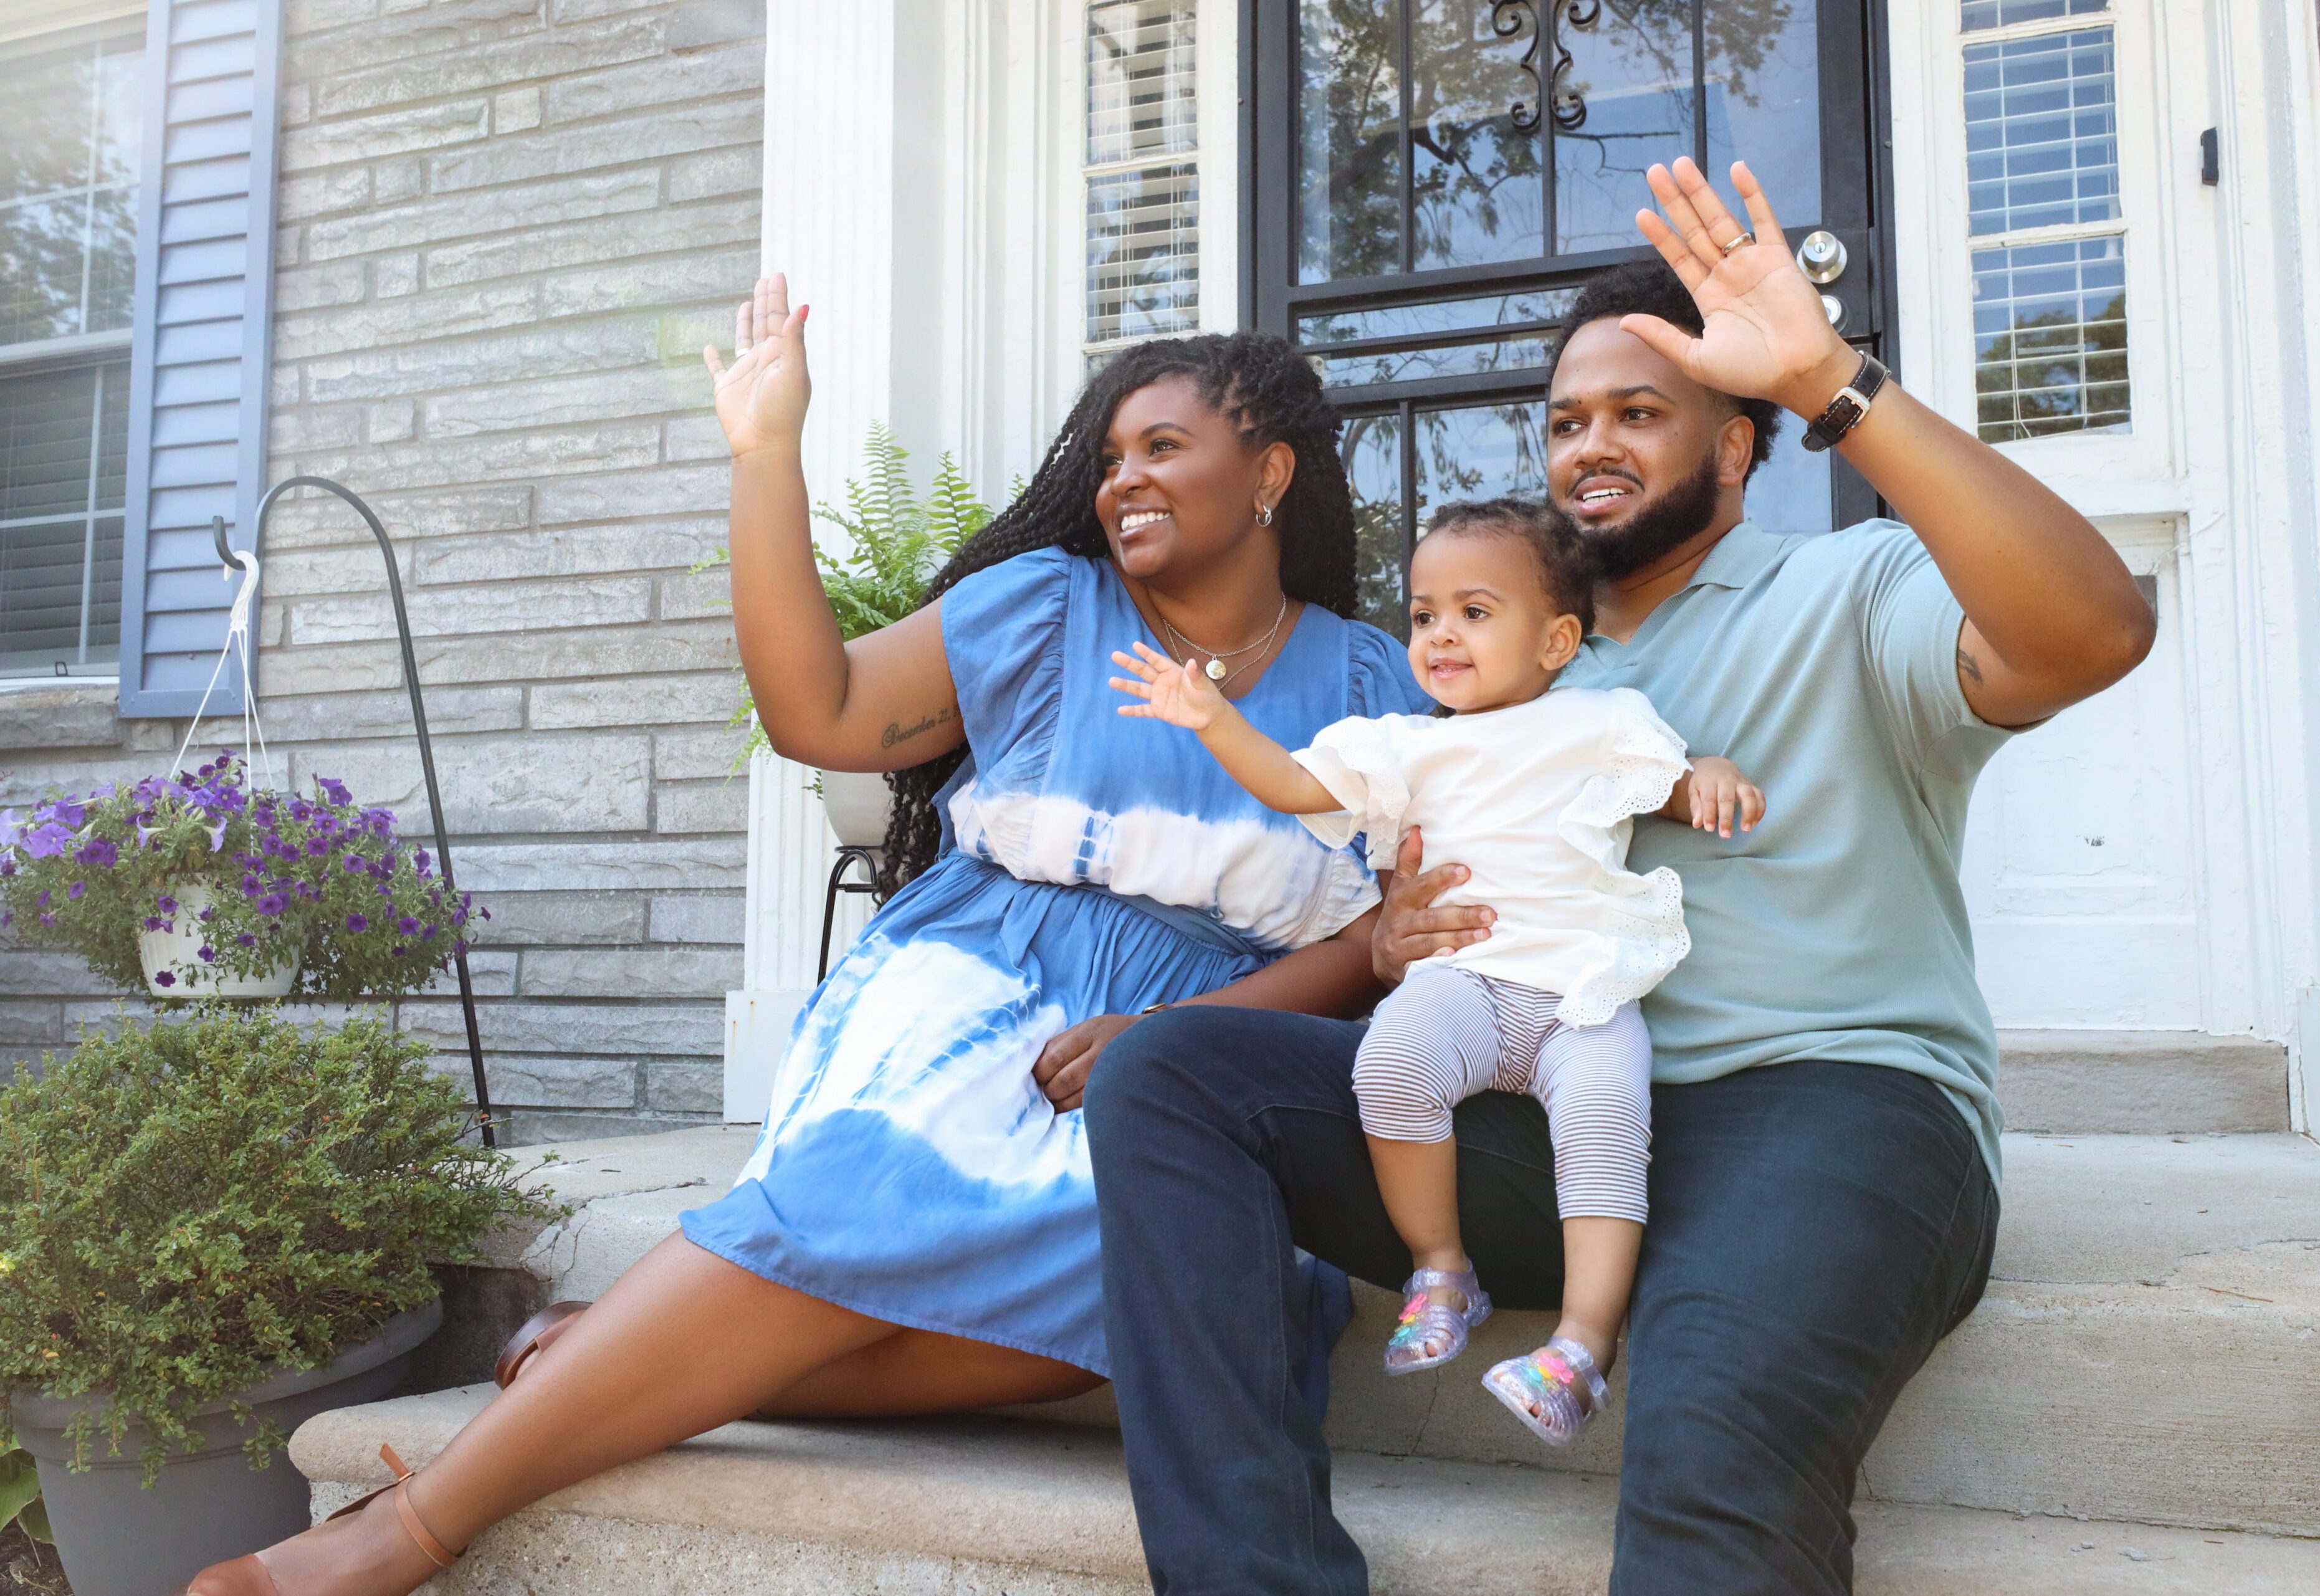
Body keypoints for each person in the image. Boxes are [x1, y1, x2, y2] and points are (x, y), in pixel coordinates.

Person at [186, 280, 1426, 1596]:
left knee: (1176, 1307)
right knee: (887, 1194)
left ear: (1271, 471)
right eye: (1110, 454)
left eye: (1162, 448)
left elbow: (1378, 935)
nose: (1122, 479)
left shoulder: (1370, 687)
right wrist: (764, 451)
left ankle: (671, 1341)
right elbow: (817, 710)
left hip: (1195, 1053)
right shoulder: (1047, 611)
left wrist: (1178, 1038)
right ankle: (405, 1531)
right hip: (981, 988)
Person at [1085, 158, 2155, 1594]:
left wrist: (1832, 378)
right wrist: (1401, 941)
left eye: (1640, 413)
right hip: (1552, 1117)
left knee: (1708, 1466)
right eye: (1566, 420)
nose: (1590, 443)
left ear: (1736, 445)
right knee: (1172, 1074)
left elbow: (2093, 633)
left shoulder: (1849, 590)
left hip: (1825, 1108)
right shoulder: (1488, 672)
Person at [1109, 496, 1764, 1448]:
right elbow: (1297, 783)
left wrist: (1712, 770)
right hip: (1464, 986)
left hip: (1581, 995)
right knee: (1388, 1064)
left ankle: (1582, 1346)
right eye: (1422, 614)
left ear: (1556, 639)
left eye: (1474, 611)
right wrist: (1213, 718)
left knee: (1605, 1125)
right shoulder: (1406, 744)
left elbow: (1669, 779)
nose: (1439, 634)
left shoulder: (1599, 720)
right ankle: (1441, 1269)